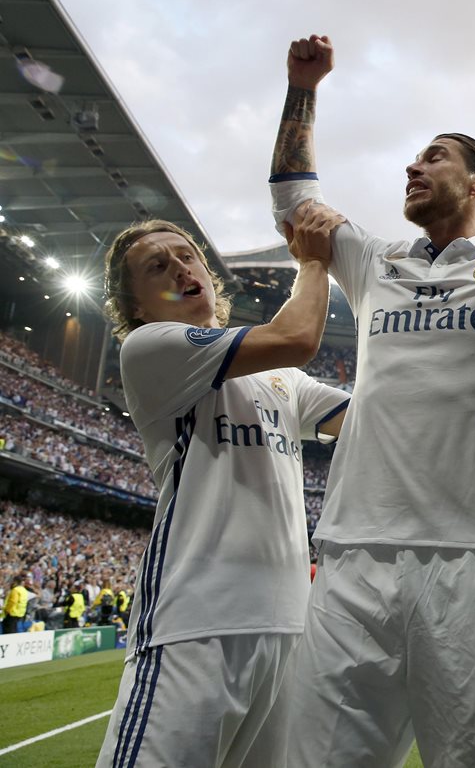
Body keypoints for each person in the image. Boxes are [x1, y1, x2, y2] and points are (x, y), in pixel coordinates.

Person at [269, 35, 475, 768]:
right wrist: (303, 87)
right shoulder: (378, 262)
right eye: (416, 156)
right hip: (350, 558)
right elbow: (294, 202)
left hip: (471, 558)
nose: (413, 165)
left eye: (435, 156)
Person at [93, 206, 350, 768]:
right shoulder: (151, 346)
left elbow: (370, 422)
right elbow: (298, 336)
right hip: (196, 622)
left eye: (187, 257)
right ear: (137, 306)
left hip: (288, 627)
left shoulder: (279, 377)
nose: (182, 269)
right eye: (158, 267)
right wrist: (313, 260)